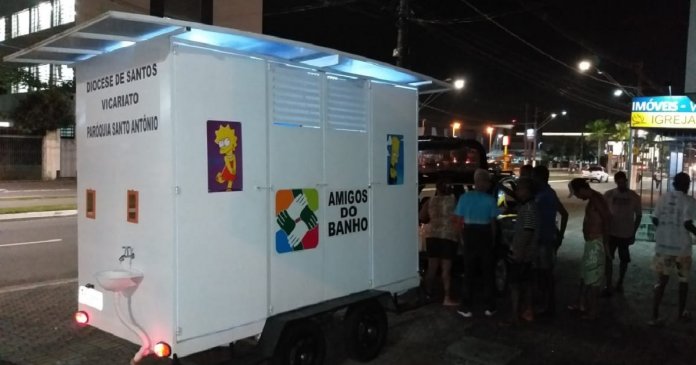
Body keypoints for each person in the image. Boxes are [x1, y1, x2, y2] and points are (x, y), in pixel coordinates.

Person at [649, 172, 696, 326]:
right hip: (682, 248)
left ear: (674, 183)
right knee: (683, 281)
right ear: (688, 185)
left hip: (663, 246)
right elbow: (688, 223)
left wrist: (665, 230)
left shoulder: (663, 198)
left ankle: (655, 315)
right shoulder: (689, 201)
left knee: (661, 281)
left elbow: (655, 218)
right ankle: (681, 313)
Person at [455, 168, 499, 318]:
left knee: (469, 271)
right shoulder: (490, 200)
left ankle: (466, 306)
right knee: (488, 271)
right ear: (484, 182)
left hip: (469, 233)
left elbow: (459, 221)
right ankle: (489, 306)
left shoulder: (464, 198)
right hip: (484, 233)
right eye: (487, 181)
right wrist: (492, 240)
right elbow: (493, 223)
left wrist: (461, 238)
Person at [568, 178, 611, 320]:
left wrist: (605, 243)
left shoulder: (597, 199)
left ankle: (592, 311)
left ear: (582, 190)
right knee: (586, 275)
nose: (578, 198)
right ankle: (581, 303)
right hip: (592, 243)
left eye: (577, 194)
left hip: (596, 243)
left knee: (593, 278)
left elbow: (606, 219)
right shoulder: (593, 199)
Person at [531, 166, 568, 317]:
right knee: (543, 273)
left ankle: (547, 305)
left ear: (539, 178)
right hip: (546, 237)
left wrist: (559, 236)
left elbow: (564, 214)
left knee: (545, 273)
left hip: (544, 238)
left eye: (534, 177)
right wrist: (560, 235)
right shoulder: (547, 193)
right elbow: (564, 214)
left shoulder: (545, 194)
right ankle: (546, 303)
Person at [420, 177, 460, 306]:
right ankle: (447, 297)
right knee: (446, 270)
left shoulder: (430, 201)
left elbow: (421, 217)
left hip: (432, 236)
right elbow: (459, 219)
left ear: (437, 189)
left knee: (432, 267)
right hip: (449, 237)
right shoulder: (454, 201)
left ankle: (427, 293)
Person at [603, 171, 642, 296]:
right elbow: (603, 213)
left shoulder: (634, 196)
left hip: (625, 233)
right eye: (618, 182)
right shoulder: (608, 195)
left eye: (623, 182)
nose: (621, 184)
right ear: (616, 182)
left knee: (624, 259)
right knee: (608, 258)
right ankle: (608, 283)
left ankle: (620, 282)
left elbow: (639, 215)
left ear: (626, 181)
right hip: (611, 232)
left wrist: (633, 231)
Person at [504, 178, 537, 324]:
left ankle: (514, 316)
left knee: (515, 285)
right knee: (526, 283)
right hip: (526, 253)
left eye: (519, 189)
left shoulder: (529, 208)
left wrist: (519, 251)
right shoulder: (528, 206)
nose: (517, 191)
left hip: (522, 253)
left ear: (526, 191)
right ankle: (527, 311)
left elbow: (528, 231)